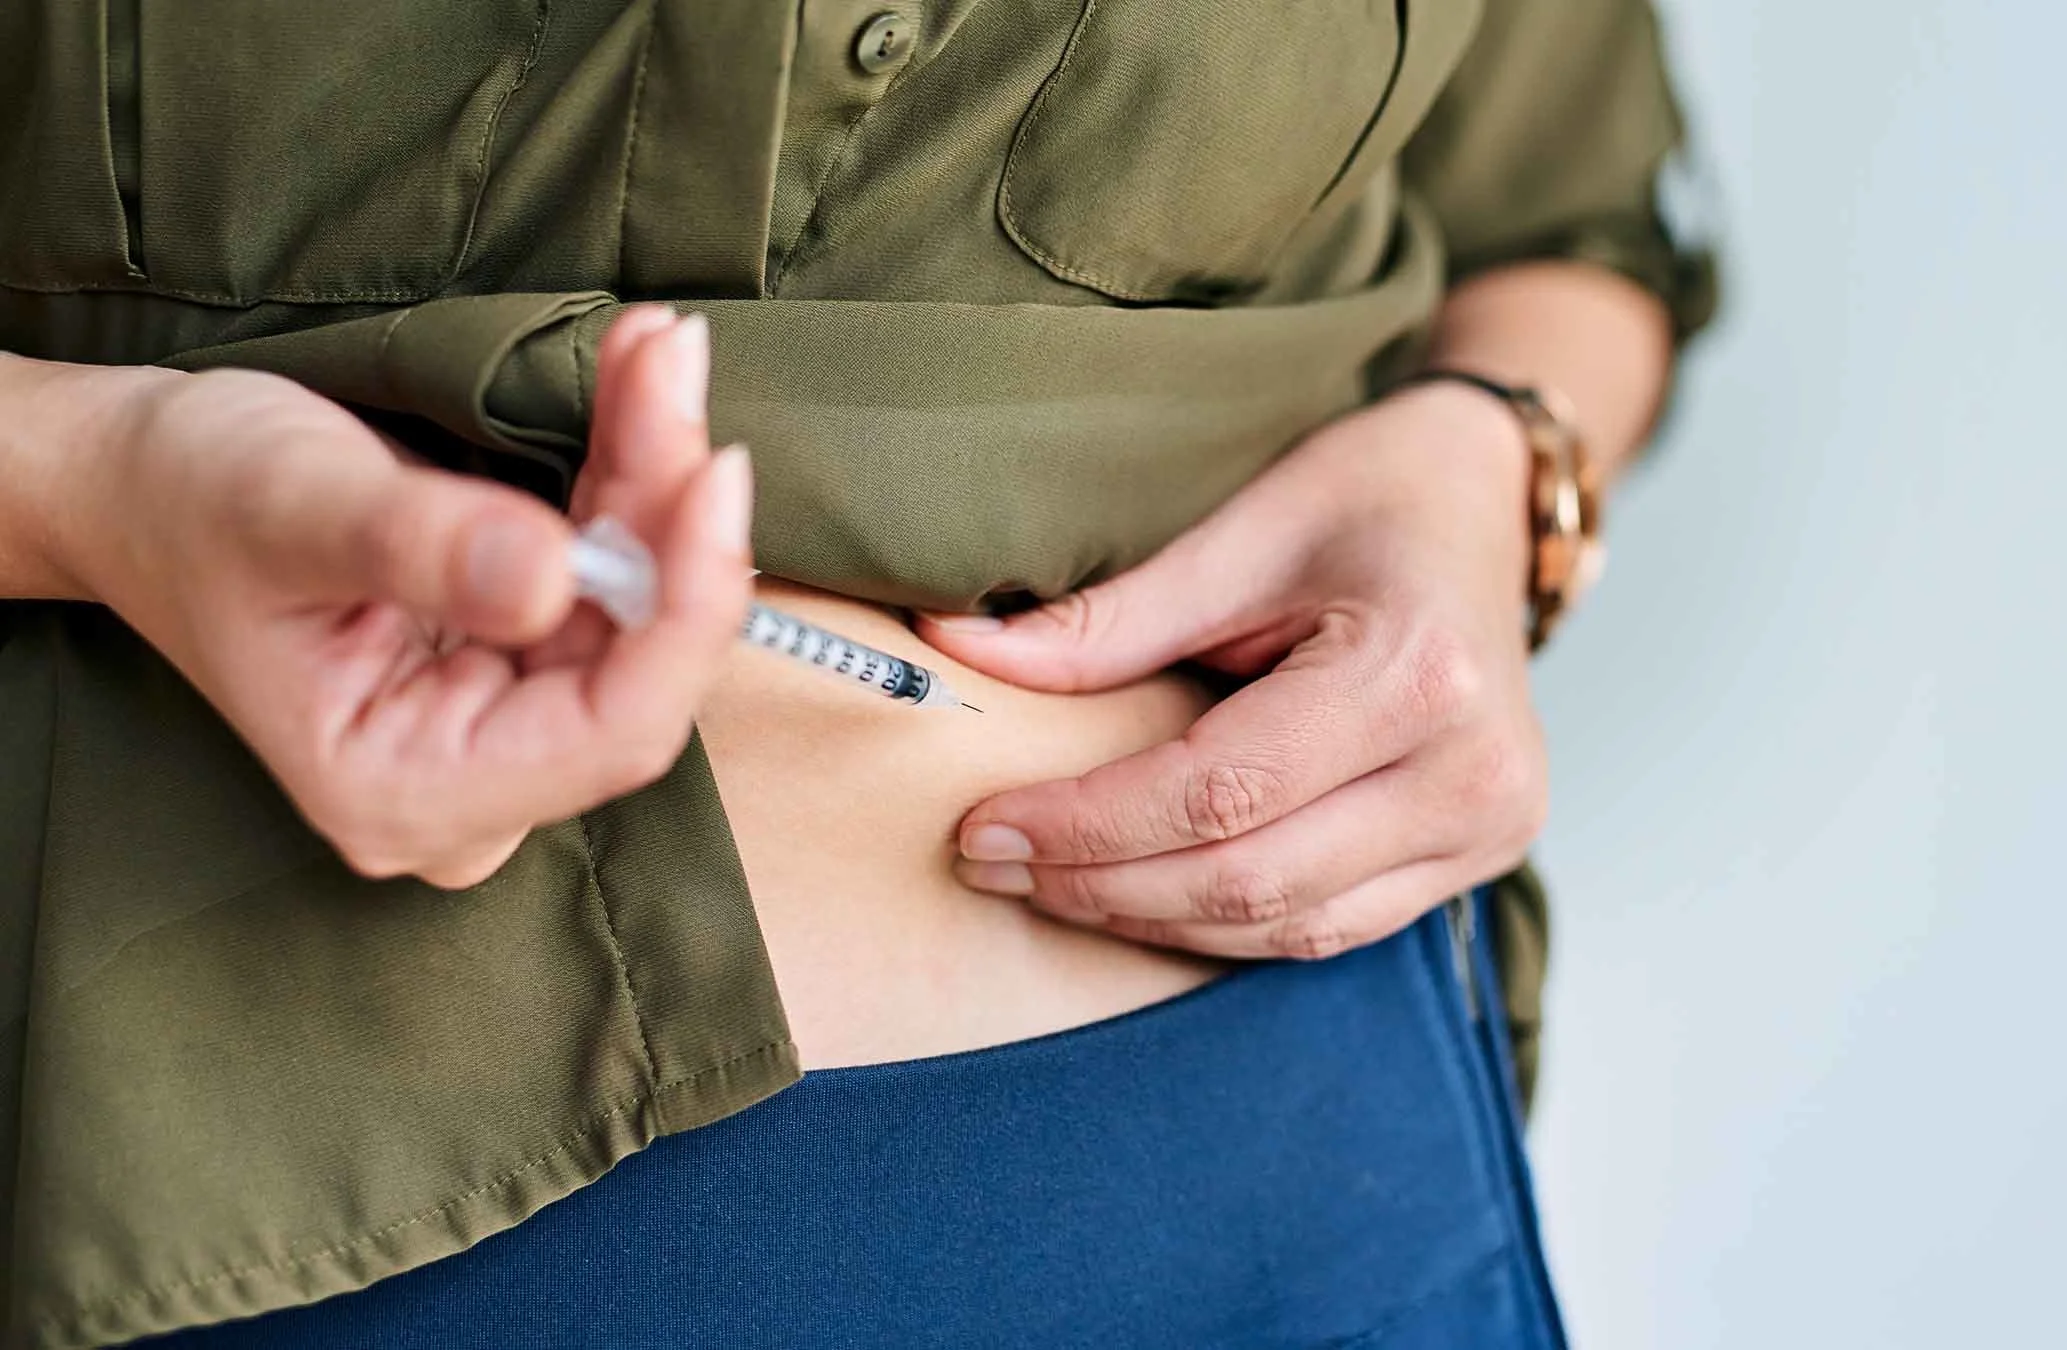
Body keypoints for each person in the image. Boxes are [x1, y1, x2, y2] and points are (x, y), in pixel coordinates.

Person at [0, 1, 1714, 1345]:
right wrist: (90, 483)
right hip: (315, 1187)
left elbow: (1568, 217)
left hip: (1303, 1149)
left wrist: (1500, 464)